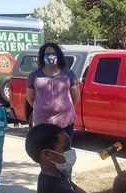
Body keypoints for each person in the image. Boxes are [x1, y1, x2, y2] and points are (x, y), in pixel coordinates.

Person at [26, 42, 80, 179]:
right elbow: (30, 98)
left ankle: (66, 182)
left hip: (65, 122)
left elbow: (75, 97)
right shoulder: (34, 75)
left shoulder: (69, 74)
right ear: (42, 56)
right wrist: (42, 108)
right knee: (46, 156)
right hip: (43, 124)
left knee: (65, 154)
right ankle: (51, 181)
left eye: (54, 53)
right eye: (47, 53)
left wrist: (62, 108)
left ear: (59, 55)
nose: (51, 56)